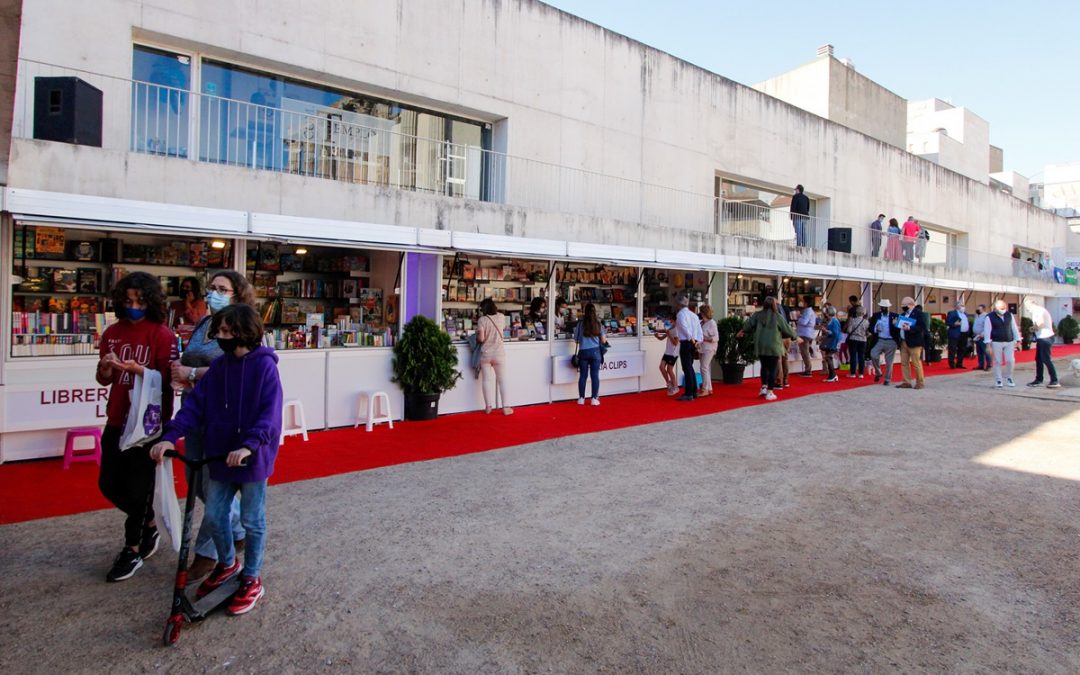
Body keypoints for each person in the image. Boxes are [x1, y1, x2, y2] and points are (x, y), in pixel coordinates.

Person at [151, 303, 283, 616]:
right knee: (215, 514)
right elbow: (195, 404)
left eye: (226, 331)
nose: (220, 337)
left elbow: (270, 413)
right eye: (219, 331)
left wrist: (250, 445)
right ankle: (227, 563)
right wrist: (171, 434)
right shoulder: (221, 367)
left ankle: (251, 577)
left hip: (251, 456)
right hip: (221, 453)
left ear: (243, 332)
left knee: (252, 520)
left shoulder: (265, 367)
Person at [169, 271, 254, 580]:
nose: (214, 294)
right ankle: (236, 528)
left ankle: (209, 552)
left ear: (237, 294)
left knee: (214, 482)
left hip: (222, 412)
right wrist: (180, 370)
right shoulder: (206, 323)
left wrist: (191, 374)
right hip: (194, 407)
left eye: (222, 289)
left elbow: (235, 370)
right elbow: (193, 356)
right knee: (196, 479)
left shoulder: (244, 326)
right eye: (212, 288)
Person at [95, 272, 176, 582]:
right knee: (109, 483)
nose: (133, 307)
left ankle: (132, 549)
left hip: (147, 424)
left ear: (151, 302)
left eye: (140, 302)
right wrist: (105, 368)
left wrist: (139, 370)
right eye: (127, 302)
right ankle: (150, 524)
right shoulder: (112, 332)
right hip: (117, 418)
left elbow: (169, 380)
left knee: (139, 486)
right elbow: (105, 379)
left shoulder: (162, 334)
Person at [739, 296, 797, 401]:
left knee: (764, 367)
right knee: (772, 369)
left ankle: (764, 387)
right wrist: (795, 337)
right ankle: (770, 392)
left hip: (761, 345)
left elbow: (748, 325)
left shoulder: (757, 315)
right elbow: (787, 329)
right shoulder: (777, 316)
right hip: (774, 345)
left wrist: (742, 331)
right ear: (774, 305)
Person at [476, 298, 513, 415]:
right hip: (499, 354)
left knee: (486, 380)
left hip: (486, 354)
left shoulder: (482, 320)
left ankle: (488, 407)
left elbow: (481, 339)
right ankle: (506, 407)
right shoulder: (501, 317)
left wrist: (477, 336)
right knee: (502, 381)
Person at [574, 302, 607, 405]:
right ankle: (594, 399)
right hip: (595, 352)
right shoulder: (598, 324)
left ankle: (581, 398)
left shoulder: (580, 324)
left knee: (583, 376)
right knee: (595, 375)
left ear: (585, 312)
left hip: (583, 352)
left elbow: (576, 340)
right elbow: (603, 341)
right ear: (594, 312)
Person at [983, 299, 1021, 388]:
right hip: (996, 341)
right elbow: (987, 331)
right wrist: (988, 345)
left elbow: (1014, 328)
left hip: (1009, 341)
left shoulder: (1009, 315)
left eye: (1004, 308)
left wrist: (1018, 341)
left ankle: (1009, 377)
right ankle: (998, 379)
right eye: (1000, 308)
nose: (1002, 309)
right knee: (997, 361)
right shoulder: (989, 317)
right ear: (995, 308)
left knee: (1010, 360)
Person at [1024, 299, 1061, 388]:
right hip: (1043, 337)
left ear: (1031, 305)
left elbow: (1040, 323)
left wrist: (1032, 329)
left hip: (1045, 337)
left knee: (1045, 359)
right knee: (1039, 359)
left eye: (1027, 307)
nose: (1027, 309)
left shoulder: (1038, 311)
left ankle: (1054, 380)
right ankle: (1039, 379)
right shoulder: (1039, 310)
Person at [895, 296, 929, 389]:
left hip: (914, 342)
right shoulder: (903, 314)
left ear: (911, 305)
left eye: (905, 306)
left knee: (916, 363)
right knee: (904, 363)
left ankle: (920, 382)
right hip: (904, 341)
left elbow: (922, 327)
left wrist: (910, 328)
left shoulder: (919, 314)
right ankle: (906, 381)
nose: (903, 307)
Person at [674, 296, 703, 400]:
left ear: (679, 305)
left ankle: (689, 393)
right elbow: (699, 329)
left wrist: (691, 339)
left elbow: (684, 328)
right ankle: (694, 391)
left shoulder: (681, 314)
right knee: (690, 367)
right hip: (693, 342)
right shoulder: (693, 315)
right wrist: (698, 341)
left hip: (687, 342)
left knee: (687, 367)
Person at [868, 299, 900, 385]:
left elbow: (899, 329)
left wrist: (895, 325)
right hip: (880, 339)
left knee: (889, 362)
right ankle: (878, 372)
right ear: (881, 307)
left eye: (886, 307)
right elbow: (870, 328)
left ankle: (887, 379)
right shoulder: (876, 315)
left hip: (891, 341)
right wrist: (876, 329)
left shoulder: (895, 316)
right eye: (883, 307)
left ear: (889, 307)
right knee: (873, 354)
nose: (885, 309)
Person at [654, 320, 680, 396]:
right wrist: (657, 336)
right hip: (667, 352)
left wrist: (668, 334)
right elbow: (661, 338)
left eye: (671, 321)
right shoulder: (670, 329)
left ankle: (675, 387)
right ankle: (669, 383)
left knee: (669, 369)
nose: (670, 323)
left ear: (675, 321)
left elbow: (675, 343)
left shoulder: (677, 330)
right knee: (661, 367)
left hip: (673, 353)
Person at [698, 304, 718, 396]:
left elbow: (715, 338)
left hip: (709, 348)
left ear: (703, 313)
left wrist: (704, 338)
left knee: (704, 367)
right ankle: (709, 388)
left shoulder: (711, 323)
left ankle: (705, 389)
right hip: (703, 348)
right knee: (704, 368)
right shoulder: (702, 322)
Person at [795, 296, 817, 377]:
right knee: (805, 352)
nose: (802, 303)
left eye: (803, 302)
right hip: (807, 333)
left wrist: (798, 317)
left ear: (806, 303)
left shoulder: (807, 311)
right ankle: (808, 369)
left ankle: (808, 370)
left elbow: (804, 322)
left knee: (805, 353)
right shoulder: (810, 311)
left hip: (804, 334)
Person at [845, 305, 869, 379]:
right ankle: (861, 373)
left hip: (853, 339)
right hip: (863, 340)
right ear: (864, 313)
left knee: (853, 356)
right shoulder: (866, 322)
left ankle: (853, 373)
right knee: (861, 356)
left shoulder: (853, 320)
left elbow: (848, 330)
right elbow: (869, 332)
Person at [945, 301, 970, 370]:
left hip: (964, 334)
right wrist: (954, 324)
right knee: (952, 349)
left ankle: (959, 363)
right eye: (961, 305)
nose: (963, 307)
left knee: (962, 349)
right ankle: (952, 364)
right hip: (955, 333)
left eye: (963, 305)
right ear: (957, 306)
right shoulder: (952, 313)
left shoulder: (965, 314)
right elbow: (947, 322)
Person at [819, 306, 841, 382]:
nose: (826, 314)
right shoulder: (832, 320)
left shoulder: (834, 321)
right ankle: (832, 375)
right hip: (831, 341)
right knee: (828, 357)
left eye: (827, 312)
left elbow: (835, 333)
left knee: (828, 357)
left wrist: (825, 330)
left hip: (833, 342)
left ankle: (833, 375)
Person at [971, 304, 990, 371]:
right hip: (977, 336)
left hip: (982, 337)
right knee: (979, 352)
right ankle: (981, 365)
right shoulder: (977, 316)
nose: (977, 310)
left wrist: (982, 334)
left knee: (985, 351)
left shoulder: (986, 316)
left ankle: (988, 365)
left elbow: (987, 327)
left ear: (983, 309)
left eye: (979, 309)